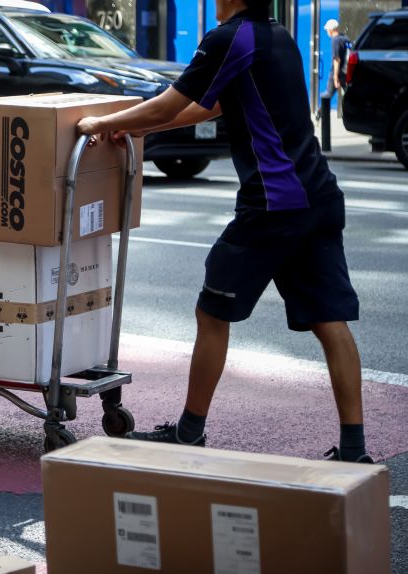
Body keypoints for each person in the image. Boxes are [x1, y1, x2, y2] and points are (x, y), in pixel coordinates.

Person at [77, 0, 372, 462]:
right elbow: (206, 106)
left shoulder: (229, 38)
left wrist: (106, 122)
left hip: (273, 206)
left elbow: (170, 103)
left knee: (212, 313)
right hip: (318, 197)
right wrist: (137, 131)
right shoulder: (277, 36)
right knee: (329, 321)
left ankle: (190, 432)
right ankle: (355, 450)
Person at [316, 19, 351, 121]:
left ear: (331, 30)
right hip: (347, 72)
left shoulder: (335, 40)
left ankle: (319, 115)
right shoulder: (345, 38)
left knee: (328, 94)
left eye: (327, 30)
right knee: (349, 95)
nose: (327, 32)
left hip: (337, 73)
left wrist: (335, 76)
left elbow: (336, 59)